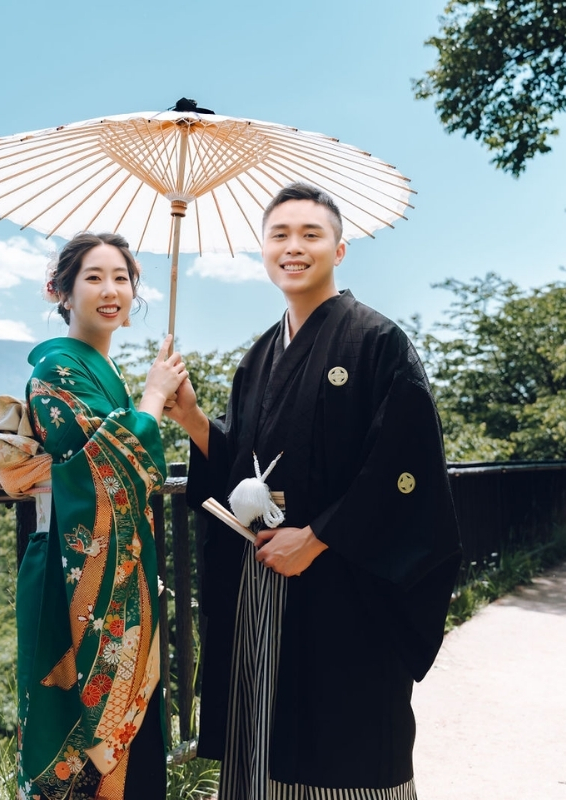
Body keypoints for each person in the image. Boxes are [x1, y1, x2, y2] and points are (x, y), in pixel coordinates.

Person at [167, 183, 462, 799]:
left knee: (345, 742)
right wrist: (194, 420)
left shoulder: (376, 342)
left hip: (345, 587)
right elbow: (245, 473)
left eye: (310, 235)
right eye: (279, 235)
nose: (293, 248)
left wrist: (320, 538)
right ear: (263, 250)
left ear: (340, 249)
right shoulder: (258, 358)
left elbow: (402, 469)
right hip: (265, 585)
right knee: (262, 741)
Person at [16, 232, 187, 800]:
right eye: (93, 277)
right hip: (72, 581)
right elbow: (103, 469)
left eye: (122, 277)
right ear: (59, 291)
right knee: (78, 741)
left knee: (132, 754)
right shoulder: (56, 370)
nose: (110, 290)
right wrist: (154, 399)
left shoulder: (97, 372)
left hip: (119, 578)